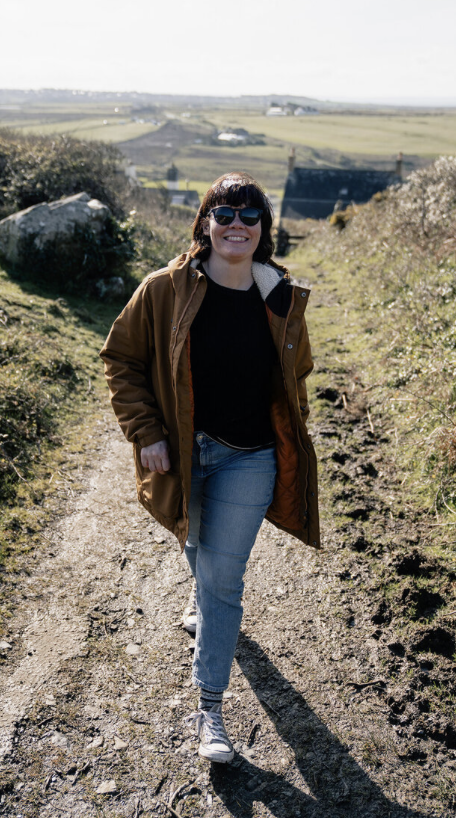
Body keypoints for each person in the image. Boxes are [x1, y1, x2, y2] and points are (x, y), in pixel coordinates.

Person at [99, 172, 319, 763]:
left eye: (251, 216)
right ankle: (203, 598)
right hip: (185, 450)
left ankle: (210, 708)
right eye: (225, 214)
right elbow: (121, 358)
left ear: (264, 230)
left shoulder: (281, 297)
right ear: (204, 223)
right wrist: (147, 432)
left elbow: (298, 371)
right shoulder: (164, 289)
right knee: (196, 540)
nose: (237, 226)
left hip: (251, 457)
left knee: (223, 579)